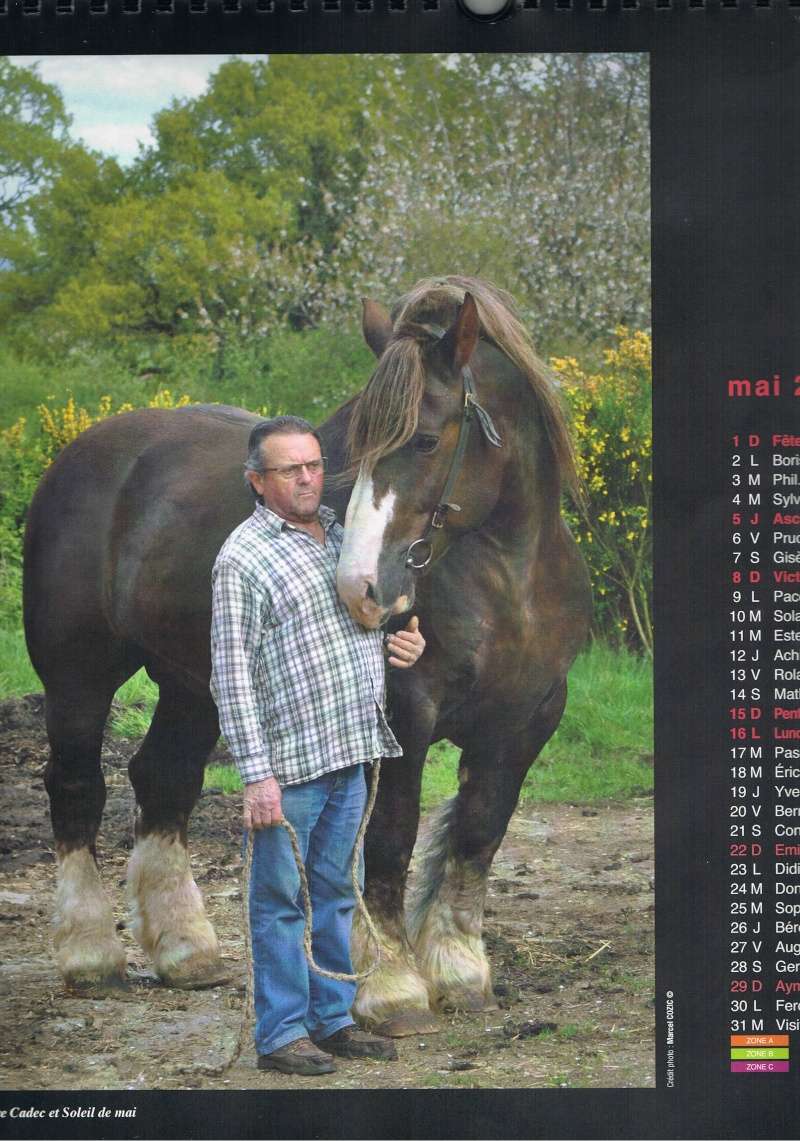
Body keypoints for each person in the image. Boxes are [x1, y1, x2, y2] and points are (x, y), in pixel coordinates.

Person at [210, 416, 426, 1077]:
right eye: (288, 469)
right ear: (257, 480)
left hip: (350, 754)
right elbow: (231, 674)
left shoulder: (340, 536)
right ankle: (280, 1033)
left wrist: (403, 648)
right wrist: (256, 777)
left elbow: (366, 627)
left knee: (336, 890)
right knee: (280, 901)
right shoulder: (241, 559)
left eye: (312, 464)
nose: (307, 477)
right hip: (289, 769)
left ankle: (332, 1019)